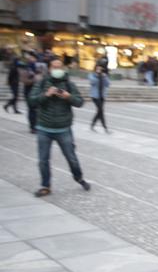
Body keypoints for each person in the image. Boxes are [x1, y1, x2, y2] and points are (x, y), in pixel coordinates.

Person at [28, 59, 90, 197]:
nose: (56, 69)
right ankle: (45, 186)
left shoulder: (69, 84)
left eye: (59, 67)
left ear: (63, 68)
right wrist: (46, 94)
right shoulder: (42, 82)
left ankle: (79, 178)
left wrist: (69, 97)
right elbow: (31, 101)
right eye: (54, 67)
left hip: (64, 128)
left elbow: (80, 102)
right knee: (43, 160)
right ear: (49, 69)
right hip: (44, 128)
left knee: (71, 157)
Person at [89, 65, 110, 132]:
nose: (99, 70)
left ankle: (92, 125)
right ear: (95, 69)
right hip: (95, 96)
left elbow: (108, 84)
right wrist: (97, 76)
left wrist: (105, 77)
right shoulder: (92, 75)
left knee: (99, 111)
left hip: (102, 96)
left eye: (100, 69)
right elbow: (92, 82)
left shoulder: (104, 76)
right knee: (100, 111)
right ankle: (105, 128)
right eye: (98, 69)